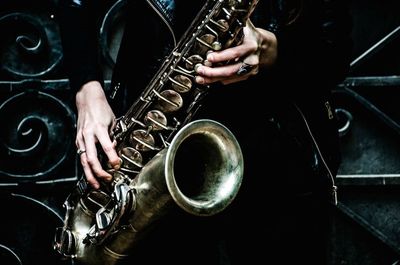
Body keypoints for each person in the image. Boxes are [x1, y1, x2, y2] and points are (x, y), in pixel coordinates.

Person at [57, 0, 353, 264]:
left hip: (279, 167)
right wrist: (87, 90)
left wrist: (272, 49)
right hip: (153, 150)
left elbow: (335, 51)